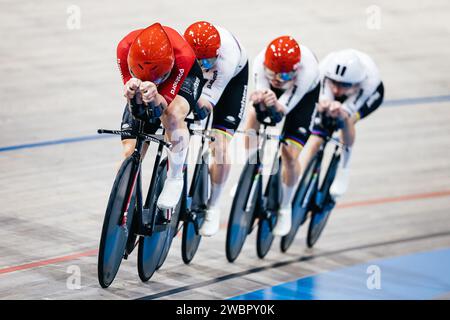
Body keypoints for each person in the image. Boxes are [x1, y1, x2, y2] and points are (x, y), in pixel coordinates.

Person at [116, 22, 205, 211]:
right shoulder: (123, 48)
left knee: (171, 115)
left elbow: (163, 105)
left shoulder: (184, 56)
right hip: (146, 78)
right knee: (129, 152)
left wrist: (156, 96)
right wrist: (133, 90)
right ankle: (125, 204)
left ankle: (175, 177)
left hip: (182, 78)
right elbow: (130, 91)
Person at [245, 36, 320, 236]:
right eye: (272, 74)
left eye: (284, 76)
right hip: (278, 94)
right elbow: (260, 102)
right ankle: (248, 173)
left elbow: (280, 114)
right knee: (253, 115)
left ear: (295, 71)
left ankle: (285, 206)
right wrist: (261, 98)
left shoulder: (308, 72)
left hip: (302, 99)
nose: (277, 79)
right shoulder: (259, 63)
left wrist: (274, 102)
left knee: (289, 153)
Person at [183, 21, 249, 236]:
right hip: (196, 76)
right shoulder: (182, 53)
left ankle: (214, 206)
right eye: (199, 61)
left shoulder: (225, 60)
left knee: (219, 145)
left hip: (231, 83)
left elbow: (205, 106)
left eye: (208, 60)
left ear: (217, 53)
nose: (204, 66)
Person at [299, 49, 384, 199]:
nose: (337, 90)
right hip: (335, 82)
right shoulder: (325, 69)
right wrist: (324, 106)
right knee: (317, 134)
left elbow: (345, 111)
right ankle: (300, 182)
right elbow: (322, 100)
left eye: (344, 85)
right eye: (335, 83)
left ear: (356, 83)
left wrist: (341, 112)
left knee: (346, 119)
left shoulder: (369, 82)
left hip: (368, 97)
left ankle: (344, 167)